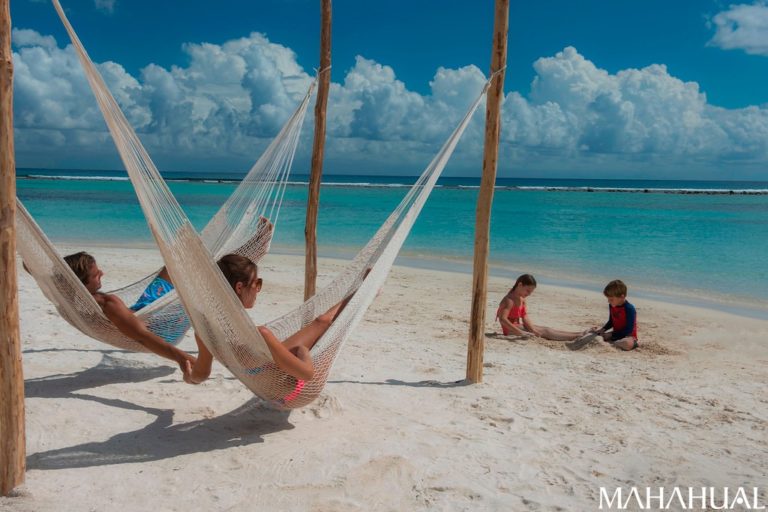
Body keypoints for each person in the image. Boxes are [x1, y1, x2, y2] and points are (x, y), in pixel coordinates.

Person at [185, 254, 356, 385]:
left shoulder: (206, 331)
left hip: (267, 376)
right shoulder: (261, 335)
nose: (258, 289)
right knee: (326, 324)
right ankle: (363, 291)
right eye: (257, 283)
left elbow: (201, 374)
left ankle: (361, 291)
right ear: (239, 287)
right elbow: (307, 374)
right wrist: (302, 350)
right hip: (288, 386)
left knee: (323, 321)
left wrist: (189, 377)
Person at [63, 251, 195, 377]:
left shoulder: (69, 298)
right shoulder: (108, 303)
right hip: (162, 329)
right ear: (81, 283)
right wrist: (183, 358)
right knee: (198, 286)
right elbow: (143, 336)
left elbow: (57, 278)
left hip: (145, 309)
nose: (102, 273)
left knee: (175, 262)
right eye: (95, 275)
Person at [496, 273, 584, 341]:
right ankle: (577, 336)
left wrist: (532, 329)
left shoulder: (522, 299)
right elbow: (502, 319)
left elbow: (524, 317)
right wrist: (520, 333)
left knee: (546, 329)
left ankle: (580, 333)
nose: (529, 294)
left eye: (531, 292)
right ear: (520, 285)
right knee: (545, 331)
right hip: (510, 330)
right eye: (528, 290)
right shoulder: (509, 300)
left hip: (518, 326)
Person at [591, 279, 638, 351]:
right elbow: (611, 321)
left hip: (628, 336)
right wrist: (603, 329)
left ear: (622, 297)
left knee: (626, 343)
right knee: (599, 336)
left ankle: (612, 342)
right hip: (616, 334)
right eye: (608, 299)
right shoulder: (612, 306)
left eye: (611, 299)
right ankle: (613, 342)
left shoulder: (629, 309)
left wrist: (612, 335)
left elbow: (629, 330)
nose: (608, 301)